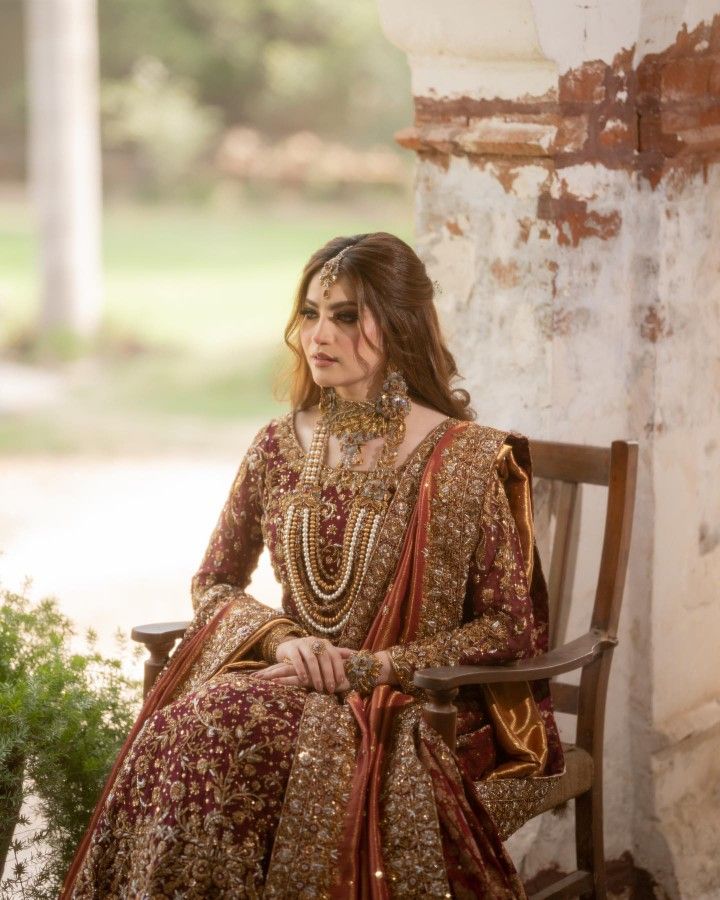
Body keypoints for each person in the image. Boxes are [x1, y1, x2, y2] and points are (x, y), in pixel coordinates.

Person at [62, 232, 564, 899]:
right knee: (191, 723)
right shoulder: (276, 446)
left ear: (400, 323)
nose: (319, 335)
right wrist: (284, 641)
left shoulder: (467, 459)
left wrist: (371, 667)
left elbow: (509, 629)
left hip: (417, 701)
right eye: (309, 313)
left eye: (346, 316)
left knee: (224, 732)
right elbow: (214, 580)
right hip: (289, 677)